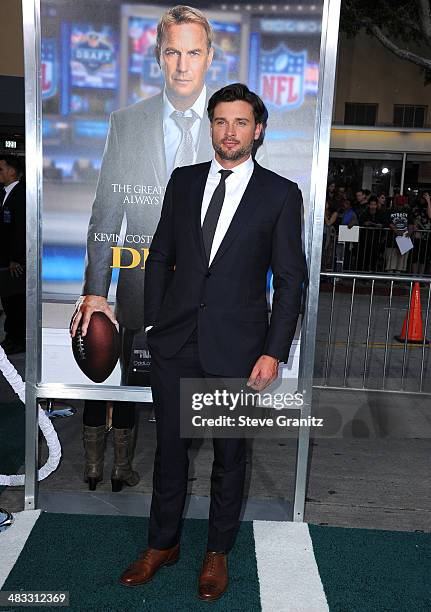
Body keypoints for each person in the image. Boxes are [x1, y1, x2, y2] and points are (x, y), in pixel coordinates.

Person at [118, 83, 306, 600]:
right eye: (221, 121)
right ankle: (162, 544)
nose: (230, 131)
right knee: (170, 453)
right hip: (175, 344)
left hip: (238, 352)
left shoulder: (280, 194)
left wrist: (272, 351)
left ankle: (216, 553)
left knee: (229, 458)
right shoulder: (182, 181)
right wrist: (154, 323)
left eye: (241, 122)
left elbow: (290, 280)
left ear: (258, 129)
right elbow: (159, 256)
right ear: (211, 126)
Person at [70, 5, 217, 492]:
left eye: (192, 52)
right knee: (127, 382)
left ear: (209, 57)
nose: (182, 64)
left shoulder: (229, 127)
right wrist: (96, 290)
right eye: (172, 51)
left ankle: (177, 477)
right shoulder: (127, 121)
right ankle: (114, 469)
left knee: (191, 400)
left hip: (203, 299)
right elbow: (106, 211)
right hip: (136, 287)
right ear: (158, 56)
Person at [0, 155, 26, 355]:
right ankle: (11, 336)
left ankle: (17, 339)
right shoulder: (5, 193)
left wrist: (16, 258)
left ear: (11, 171)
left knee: (15, 301)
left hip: (15, 262)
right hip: (6, 259)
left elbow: (20, 230)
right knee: (8, 300)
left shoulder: (21, 194)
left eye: (1, 169)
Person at [384, 198, 414, 273]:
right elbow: (388, 222)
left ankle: (398, 279)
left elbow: (411, 223)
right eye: (398, 204)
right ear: (395, 203)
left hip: (404, 239)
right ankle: (390, 279)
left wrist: (409, 232)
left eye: (401, 204)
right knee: (391, 262)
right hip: (391, 239)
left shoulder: (408, 211)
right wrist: (396, 230)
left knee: (401, 263)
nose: (400, 206)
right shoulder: (390, 211)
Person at [358, 195, 385, 271]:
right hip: (365, 239)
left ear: (376, 205)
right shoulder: (365, 213)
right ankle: (364, 273)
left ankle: (372, 271)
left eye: (374, 205)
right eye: (371, 205)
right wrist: (365, 223)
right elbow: (360, 222)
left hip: (376, 239)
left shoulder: (380, 214)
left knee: (374, 257)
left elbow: (383, 224)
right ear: (369, 205)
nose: (373, 206)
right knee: (365, 257)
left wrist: (379, 225)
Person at [411, 191, 431, 275]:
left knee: (424, 257)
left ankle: (421, 277)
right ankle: (414, 276)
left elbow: (430, 215)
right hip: (417, 235)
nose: (424, 198)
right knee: (415, 256)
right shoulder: (416, 207)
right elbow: (414, 219)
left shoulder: (429, 206)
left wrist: (429, 201)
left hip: (426, 235)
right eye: (423, 196)